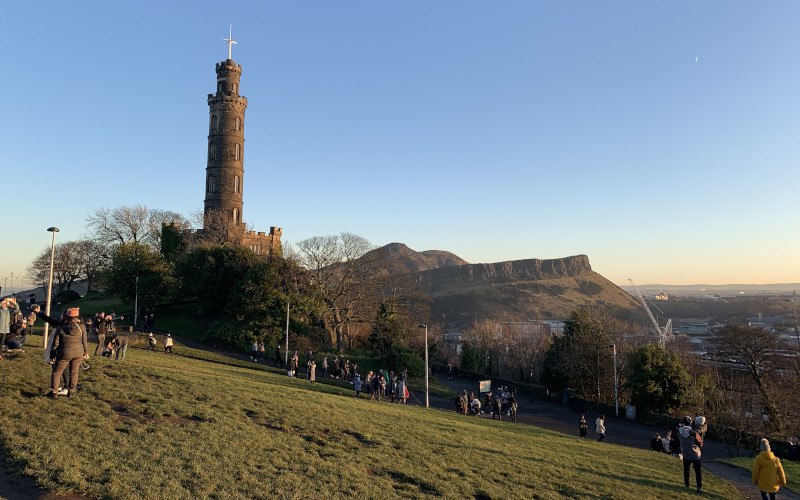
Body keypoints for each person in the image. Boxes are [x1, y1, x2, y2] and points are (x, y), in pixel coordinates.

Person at [47, 307, 89, 398]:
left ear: (67, 316)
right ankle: (71, 392)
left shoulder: (61, 327)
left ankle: (54, 392)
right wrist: (86, 352)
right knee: (74, 373)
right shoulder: (81, 327)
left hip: (64, 352)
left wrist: (52, 354)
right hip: (78, 352)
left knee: (57, 372)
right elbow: (84, 341)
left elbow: (55, 343)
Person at [678, 416, 703, 493]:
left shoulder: (679, 431)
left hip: (685, 453)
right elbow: (700, 444)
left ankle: (687, 484)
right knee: (698, 472)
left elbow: (673, 437)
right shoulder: (694, 433)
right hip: (695, 454)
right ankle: (699, 487)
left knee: (686, 470)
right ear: (690, 423)